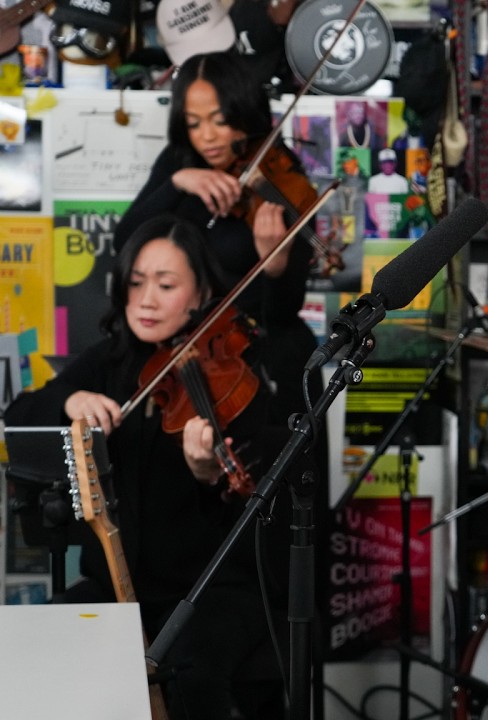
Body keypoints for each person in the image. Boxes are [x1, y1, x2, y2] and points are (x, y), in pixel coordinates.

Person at [3, 215, 298, 720]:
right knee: (42, 651)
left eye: (166, 285)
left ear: (201, 292)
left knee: (188, 670)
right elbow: (21, 411)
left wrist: (208, 475)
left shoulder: (233, 375)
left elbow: (253, 500)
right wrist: (70, 398)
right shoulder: (110, 360)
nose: (146, 299)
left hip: (212, 590)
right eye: (136, 283)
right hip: (115, 583)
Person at [114, 51, 321, 435]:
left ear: (245, 112)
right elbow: (125, 244)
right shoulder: (180, 160)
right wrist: (178, 183)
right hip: (185, 358)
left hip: (260, 362)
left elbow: (283, 313)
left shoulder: (278, 175)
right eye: (193, 123)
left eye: (220, 121)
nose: (206, 136)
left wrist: (274, 266)